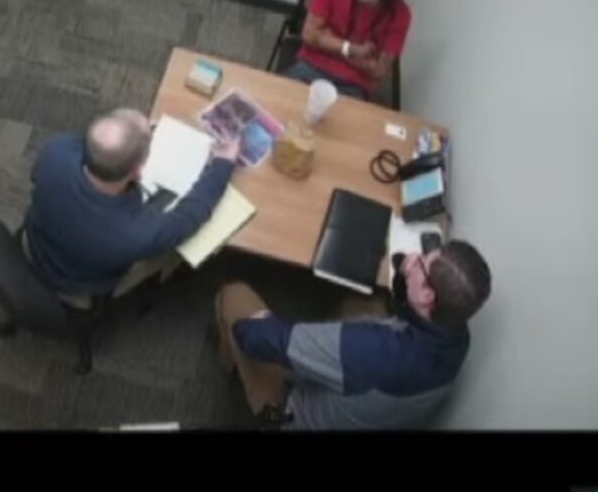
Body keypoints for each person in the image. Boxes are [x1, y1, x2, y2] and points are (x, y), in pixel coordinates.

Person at [214, 240, 492, 429]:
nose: (415, 258)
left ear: (428, 295)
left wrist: (261, 325)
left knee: (234, 297)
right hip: (372, 401)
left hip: (296, 414)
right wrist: (406, 270)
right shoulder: (457, 337)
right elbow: (406, 309)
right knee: (365, 299)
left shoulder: (367, 351)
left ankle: (229, 367)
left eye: (422, 263)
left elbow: (254, 337)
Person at [24, 108, 239, 306]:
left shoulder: (55, 151)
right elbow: (189, 217)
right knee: (179, 248)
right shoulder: (135, 233)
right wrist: (223, 164)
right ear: (138, 172)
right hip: (79, 283)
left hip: (36, 243)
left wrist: (136, 134)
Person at [286, 0, 413, 100]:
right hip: (311, 66)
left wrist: (328, 40)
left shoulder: (400, 14)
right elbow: (310, 35)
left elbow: (379, 71)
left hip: (353, 85)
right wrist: (353, 50)